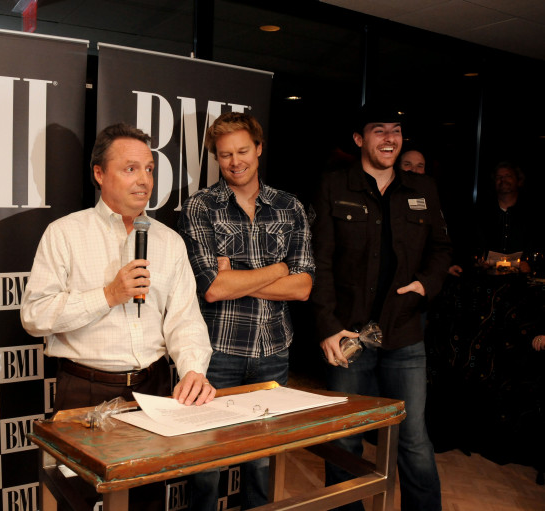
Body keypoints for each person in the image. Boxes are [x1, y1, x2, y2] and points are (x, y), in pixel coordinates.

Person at [310, 103, 451, 511]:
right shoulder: (333, 185)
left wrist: (426, 284)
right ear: (359, 139)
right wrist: (326, 326)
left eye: (396, 130)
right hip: (348, 334)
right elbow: (319, 261)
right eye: (378, 130)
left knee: (414, 439)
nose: (390, 139)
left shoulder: (423, 189)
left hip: (404, 331)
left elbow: (442, 249)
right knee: (345, 438)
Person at [20, 123, 215, 413]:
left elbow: (185, 320)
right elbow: (35, 316)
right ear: (100, 174)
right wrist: (108, 295)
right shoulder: (64, 233)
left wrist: (193, 370)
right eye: (130, 169)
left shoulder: (169, 241)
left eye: (149, 169)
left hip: (155, 387)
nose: (144, 180)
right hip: (85, 390)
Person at [178, 112, 315, 510]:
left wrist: (235, 275)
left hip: (274, 351)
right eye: (225, 155)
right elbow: (213, 288)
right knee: (206, 464)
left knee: (263, 462)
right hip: (218, 352)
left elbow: (303, 288)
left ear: (258, 149)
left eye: (242, 151)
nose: (235, 161)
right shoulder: (201, 207)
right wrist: (279, 269)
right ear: (216, 158)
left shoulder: (290, 207)